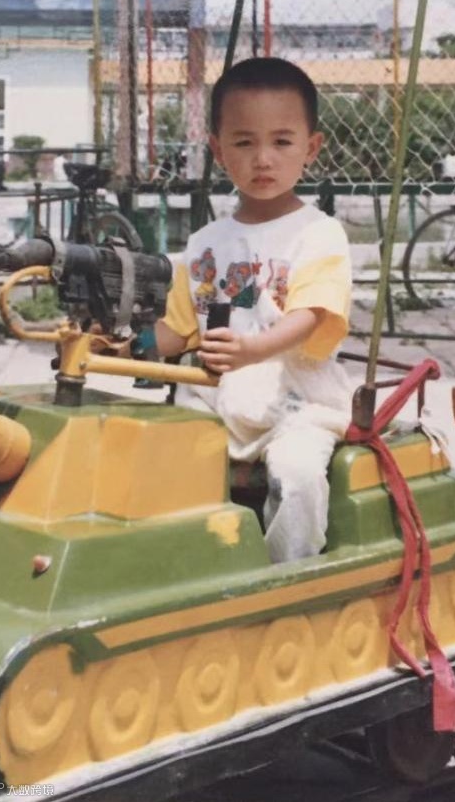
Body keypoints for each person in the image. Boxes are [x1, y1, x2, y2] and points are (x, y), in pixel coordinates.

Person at [143, 57, 353, 563]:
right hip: (217, 399)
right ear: (218, 150)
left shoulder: (318, 233)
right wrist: (123, 342)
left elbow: (312, 315)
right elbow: (176, 330)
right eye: (243, 143)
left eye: (281, 142)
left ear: (311, 148)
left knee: (298, 473)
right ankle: (188, 562)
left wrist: (254, 349)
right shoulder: (204, 243)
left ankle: (291, 569)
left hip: (295, 403)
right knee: (155, 451)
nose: (263, 159)